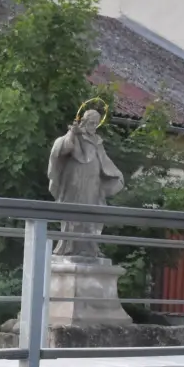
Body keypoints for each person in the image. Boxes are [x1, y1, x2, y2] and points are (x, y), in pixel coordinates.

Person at [47, 108, 124, 258]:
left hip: (92, 182)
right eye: (91, 123)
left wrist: (115, 174)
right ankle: (68, 246)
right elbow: (63, 149)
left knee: (92, 212)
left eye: (96, 123)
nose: (93, 126)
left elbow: (103, 160)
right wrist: (72, 133)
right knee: (72, 211)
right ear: (84, 121)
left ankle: (90, 246)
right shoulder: (75, 134)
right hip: (75, 179)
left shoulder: (97, 140)